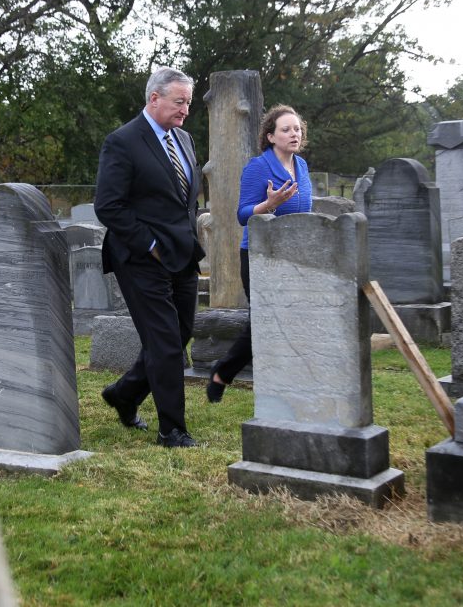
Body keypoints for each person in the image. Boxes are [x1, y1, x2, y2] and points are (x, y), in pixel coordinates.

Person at [94, 67, 206, 448]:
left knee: (181, 332)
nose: (185, 109)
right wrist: (150, 245)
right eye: (180, 101)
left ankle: (124, 394)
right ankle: (171, 429)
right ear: (154, 98)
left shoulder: (185, 140)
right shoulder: (122, 141)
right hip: (140, 257)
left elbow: (185, 200)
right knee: (164, 343)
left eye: (188, 102)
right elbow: (108, 206)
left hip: (183, 253)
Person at [206, 105, 312, 402]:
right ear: (271, 136)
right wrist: (270, 204)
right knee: (265, 320)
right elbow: (242, 214)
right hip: (259, 256)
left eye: (297, 129)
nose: (294, 134)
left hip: (294, 257)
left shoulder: (301, 166)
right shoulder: (258, 167)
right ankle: (222, 373)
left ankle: (238, 375)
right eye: (286, 129)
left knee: (289, 321)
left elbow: (306, 210)